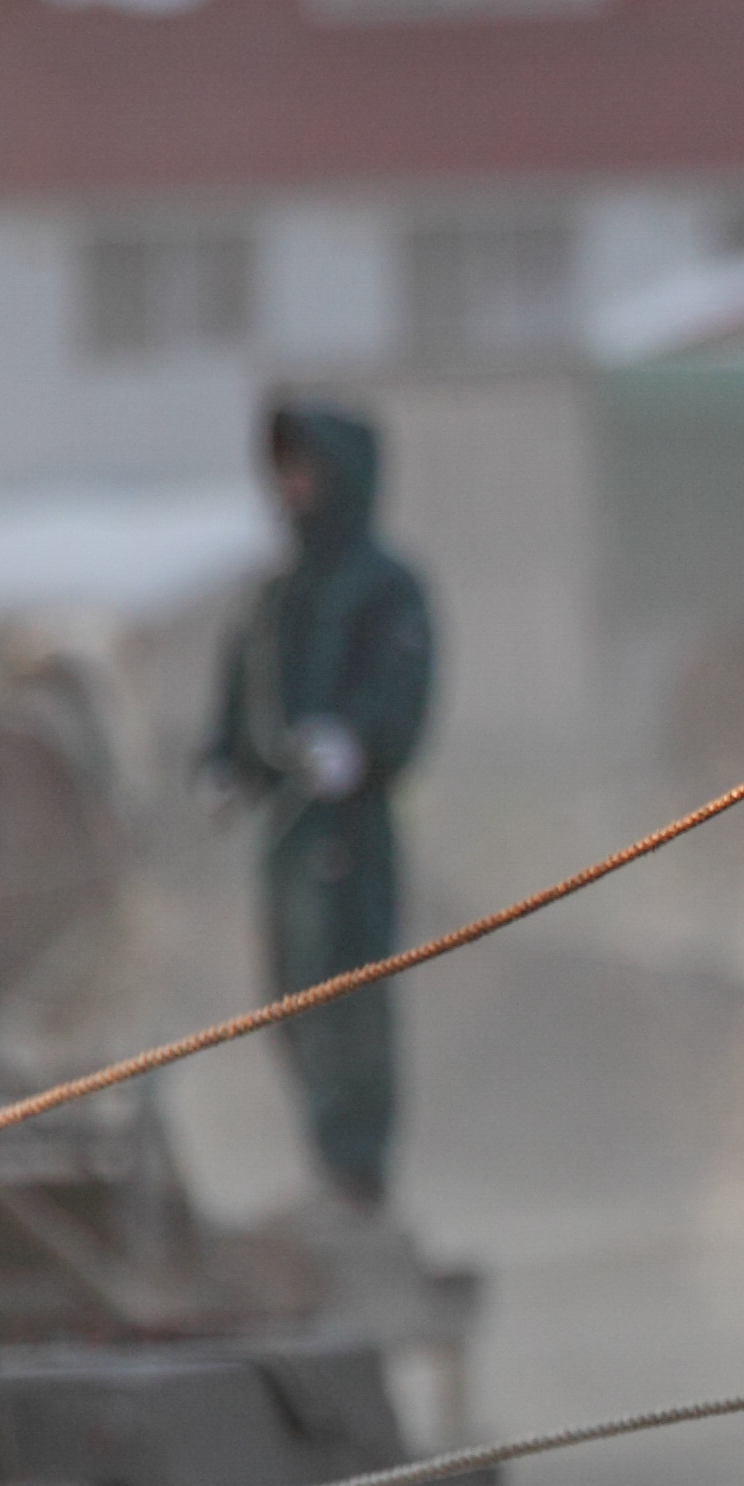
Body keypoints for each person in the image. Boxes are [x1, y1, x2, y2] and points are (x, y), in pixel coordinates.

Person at [204, 400, 435, 1212]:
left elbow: (405, 692)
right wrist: (225, 764)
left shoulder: (387, 588)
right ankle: (322, 1158)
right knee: (290, 990)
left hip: (353, 829)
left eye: (306, 470)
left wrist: (359, 746)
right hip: (288, 832)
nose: (293, 488)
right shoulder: (274, 596)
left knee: (351, 995)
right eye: (284, 472)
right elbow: (243, 694)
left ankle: (358, 1170)